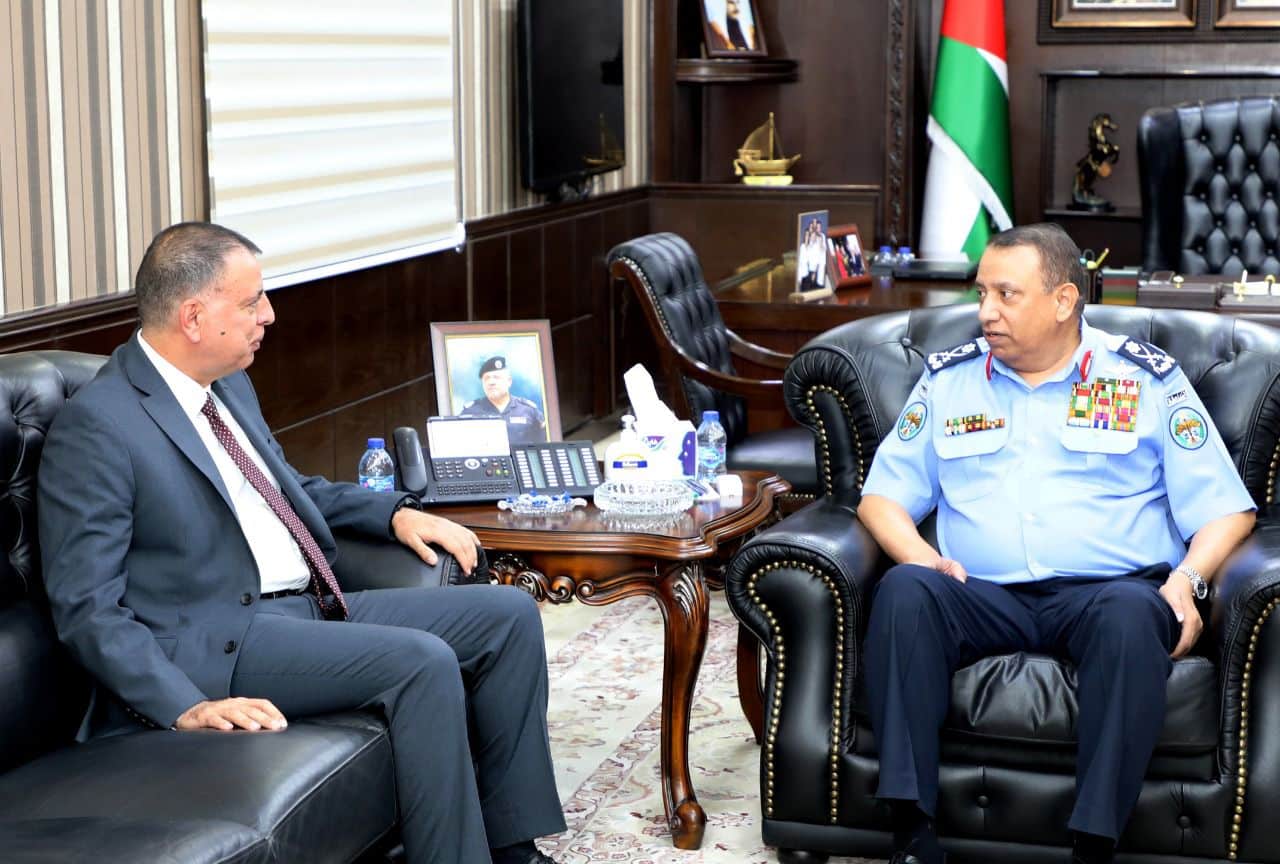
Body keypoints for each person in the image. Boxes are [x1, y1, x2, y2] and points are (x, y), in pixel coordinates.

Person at [37, 222, 566, 864]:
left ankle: (514, 849)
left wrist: (393, 514)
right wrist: (183, 706)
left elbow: (285, 487)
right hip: (220, 638)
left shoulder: (227, 382)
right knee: (421, 662)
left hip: (307, 604)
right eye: (252, 301)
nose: (269, 314)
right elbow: (87, 608)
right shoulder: (99, 426)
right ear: (194, 317)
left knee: (508, 615)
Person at [856, 223, 1256, 864]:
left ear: (1064, 300)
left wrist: (1187, 580)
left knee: (1133, 614)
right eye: (982, 293)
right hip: (980, 593)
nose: (986, 311)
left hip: (1107, 594)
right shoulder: (951, 380)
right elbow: (881, 498)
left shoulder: (1144, 379)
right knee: (905, 590)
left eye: (1006, 294)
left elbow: (1226, 509)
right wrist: (925, 559)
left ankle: (1094, 843)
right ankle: (912, 833)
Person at [459, 355, 547, 444]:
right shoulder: (470, 412)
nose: (491, 382)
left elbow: (543, 444)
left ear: (509, 381)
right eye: (486, 378)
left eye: (496, 377)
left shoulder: (528, 410)